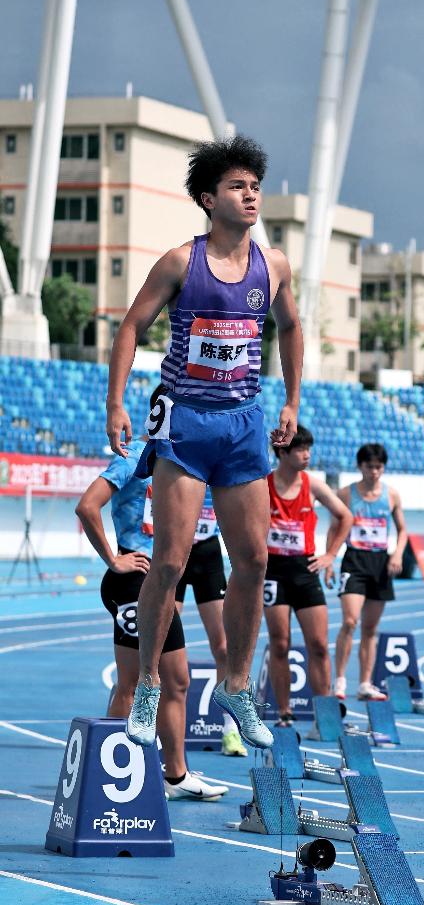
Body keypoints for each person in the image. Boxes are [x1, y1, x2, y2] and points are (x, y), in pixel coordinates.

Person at [105, 135, 302, 749]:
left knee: (256, 560)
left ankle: (236, 685)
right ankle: (147, 691)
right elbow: (132, 326)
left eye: (254, 186)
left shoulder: (274, 266)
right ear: (207, 198)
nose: (250, 196)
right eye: (237, 187)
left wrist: (293, 399)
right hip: (186, 424)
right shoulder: (178, 262)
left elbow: (292, 327)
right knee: (169, 559)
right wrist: (116, 401)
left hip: (244, 423)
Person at [76, 400, 227, 801]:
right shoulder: (131, 462)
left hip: (159, 585)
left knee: (177, 680)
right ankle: (102, 779)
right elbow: (86, 506)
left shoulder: (179, 467)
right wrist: (114, 558)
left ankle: (175, 776)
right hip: (133, 583)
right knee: (130, 682)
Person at [264, 425, 352, 721]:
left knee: (317, 645)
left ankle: (324, 712)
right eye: (301, 449)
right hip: (274, 571)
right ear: (282, 452)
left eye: (308, 449)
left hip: (305, 570)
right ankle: (284, 712)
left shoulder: (312, 485)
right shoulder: (264, 484)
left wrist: (330, 555)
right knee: (280, 643)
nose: (307, 455)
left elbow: (345, 516)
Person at [171, 483, 245, 756]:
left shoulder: (214, 462)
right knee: (162, 647)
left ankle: (229, 729)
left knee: (224, 647)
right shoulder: (174, 457)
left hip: (207, 556)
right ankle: (155, 726)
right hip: (174, 550)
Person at [333, 443, 408, 701]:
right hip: (354, 560)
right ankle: (340, 680)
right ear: (360, 466)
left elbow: (403, 529)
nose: (374, 472)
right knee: (350, 621)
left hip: (380, 563)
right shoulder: (346, 494)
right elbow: (335, 528)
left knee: (370, 628)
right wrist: (330, 557)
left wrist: (397, 553)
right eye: (369, 467)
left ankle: (365, 683)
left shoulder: (392, 496)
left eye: (378, 467)